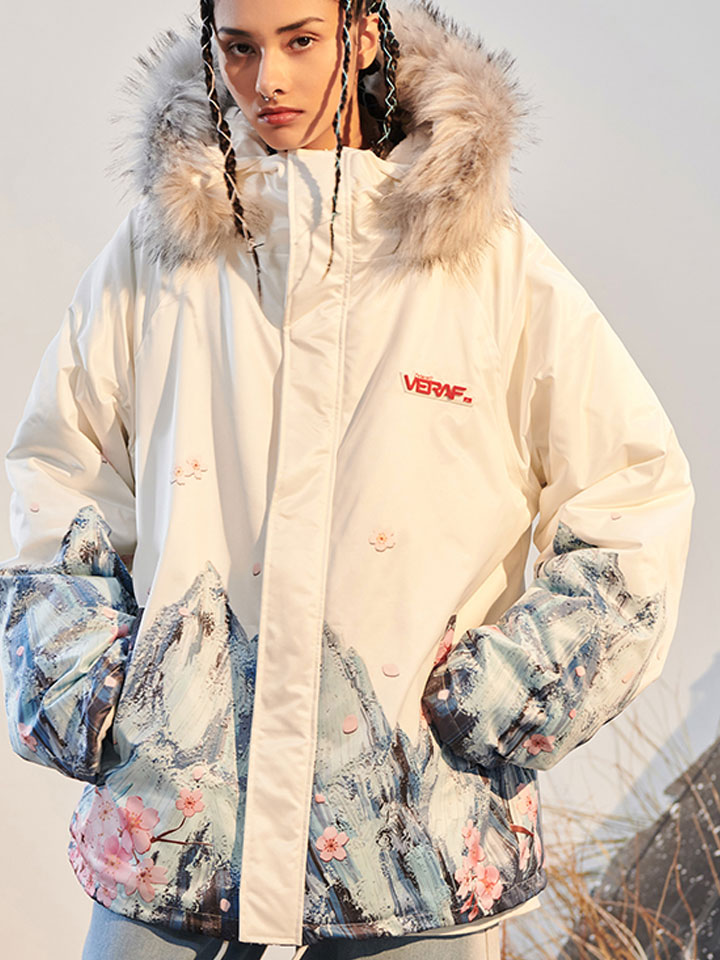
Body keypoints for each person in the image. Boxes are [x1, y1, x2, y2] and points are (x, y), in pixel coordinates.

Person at [0, 0, 695, 958]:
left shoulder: (486, 264)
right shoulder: (159, 254)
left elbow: (632, 495)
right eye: (239, 48)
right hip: (174, 839)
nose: (268, 82)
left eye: (300, 41)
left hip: (413, 848)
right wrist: (95, 684)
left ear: (362, 34)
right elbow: (59, 470)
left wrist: (503, 698)